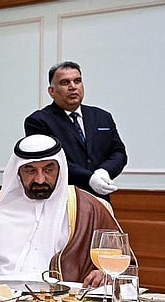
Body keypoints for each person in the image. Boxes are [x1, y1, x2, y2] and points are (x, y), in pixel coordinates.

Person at [0, 134, 119, 287]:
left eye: (49, 170)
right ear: (17, 171)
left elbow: (120, 264)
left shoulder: (87, 208)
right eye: (30, 170)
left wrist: (106, 273)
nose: (40, 179)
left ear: (60, 168)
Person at [24, 61, 127, 200]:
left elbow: (119, 152)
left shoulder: (102, 116)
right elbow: (49, 161)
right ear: (52, 91)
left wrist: (104, 171)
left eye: (77, 81)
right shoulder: (38, 121)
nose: (73, 87)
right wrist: (89, 178)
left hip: (100, 197)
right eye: (65, 83)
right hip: (63, 199)